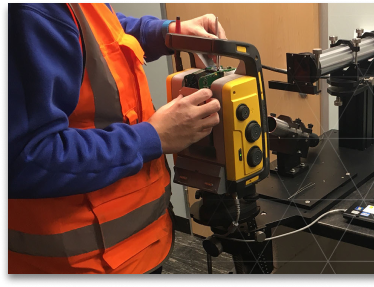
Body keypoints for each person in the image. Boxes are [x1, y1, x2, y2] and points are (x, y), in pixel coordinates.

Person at [7, 3, 226, 274]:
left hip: (141, 244)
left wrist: (169, 32)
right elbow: (25, 158)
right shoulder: (27, 12)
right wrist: (152, 137)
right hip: (83, 264)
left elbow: (104, 32)